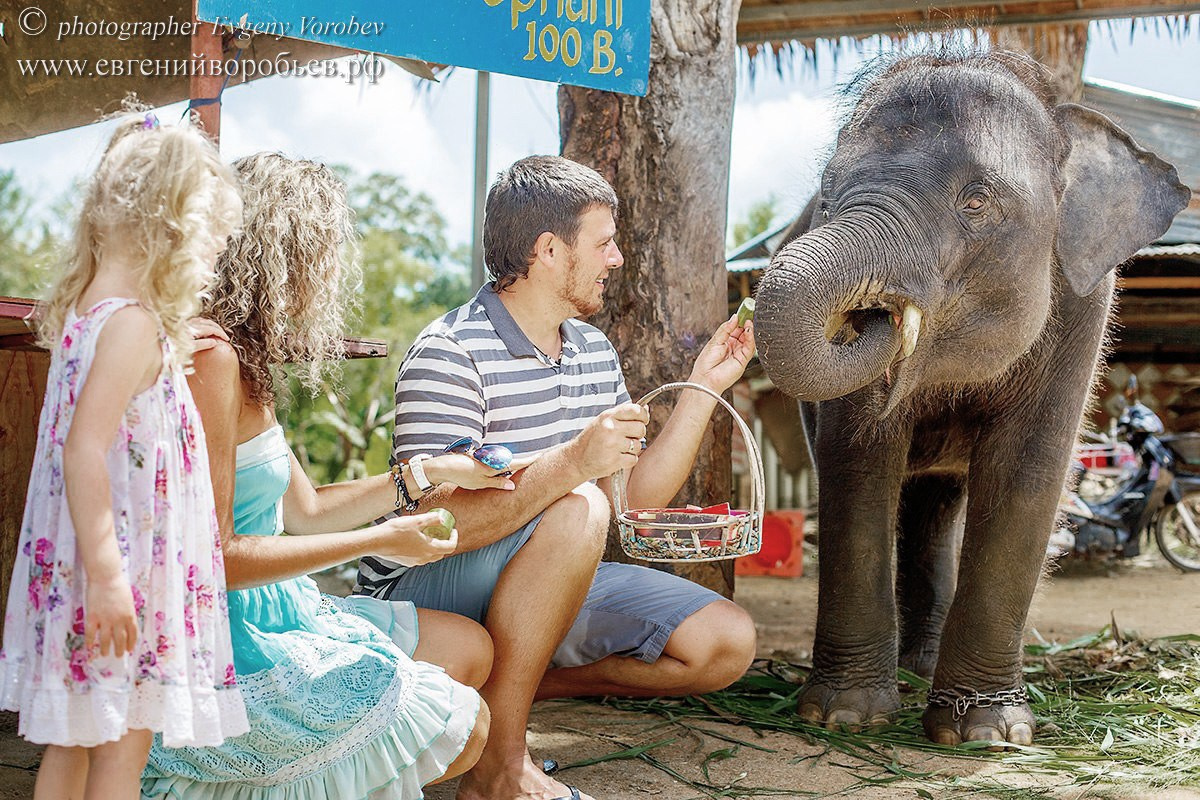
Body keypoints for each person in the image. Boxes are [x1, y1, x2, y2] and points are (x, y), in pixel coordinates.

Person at [356, 154, 759, 800]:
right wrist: (572, 466)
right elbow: (432, 528)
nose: (617, 259)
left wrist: (705, 387)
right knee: (577, 509)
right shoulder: (449, 352)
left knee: (725, 642)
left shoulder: (592, 352)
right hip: (426, 587)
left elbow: (630, 502)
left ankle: (513, 681)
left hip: (549, 574)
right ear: (549, 250)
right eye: (603, 243)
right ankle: (499, 768)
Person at [142, 153, 512, 798]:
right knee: (464, 723)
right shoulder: (211, 363)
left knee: (470, 648)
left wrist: (428, 473)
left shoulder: (248, 360)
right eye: (326, 255)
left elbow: (304, 512)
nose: (333, 279)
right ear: (286, 257)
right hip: (225, 632)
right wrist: (377, 541)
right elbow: (213, 559)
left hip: (279, 604)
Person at [0, 113, 249, 800]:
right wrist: (111, 580)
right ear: (171, 229)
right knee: (120, 754)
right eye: (209, 239)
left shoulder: (88, 311)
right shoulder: (134, 325)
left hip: (90, 556)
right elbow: (84, 450)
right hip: (124, 570)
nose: (211, 258)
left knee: (76, 744)